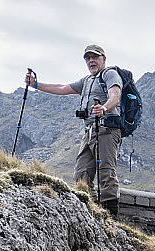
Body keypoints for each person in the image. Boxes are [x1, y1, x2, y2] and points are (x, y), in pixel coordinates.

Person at [25, 44, 122, 216]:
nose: (91, 61)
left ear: (103, 59)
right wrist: (36, 84)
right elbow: (62, 88)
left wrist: (104, 109)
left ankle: (111, 217)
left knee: (106, 172)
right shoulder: (86, 81)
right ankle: (90, 212)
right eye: (88, 58)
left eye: (95, 57)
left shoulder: (110, 74)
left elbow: (115, 95)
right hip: (90, 131)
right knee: (81, 172)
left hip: (107, 129)